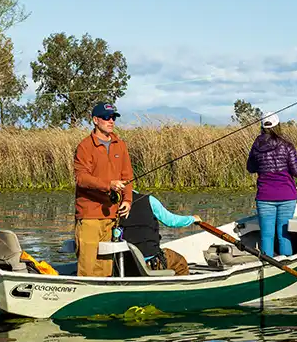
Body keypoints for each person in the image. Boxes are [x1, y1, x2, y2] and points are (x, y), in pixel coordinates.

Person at [73, 101, 133, 276]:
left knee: (105, 269)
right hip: (89, 216)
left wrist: (127, 200)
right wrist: (108, 185)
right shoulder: (85, 146)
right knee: (87, 268)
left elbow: (127, 176)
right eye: (106, 117)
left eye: (113, 117)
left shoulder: (120, 145)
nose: (111, 121)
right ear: (95, 120)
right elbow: (81, 178)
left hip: (112, 217)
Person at [245, 113, 297, 258]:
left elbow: (250, 168)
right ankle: (287, 263)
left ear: (262, 127)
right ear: (278, 126)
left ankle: (267, 264)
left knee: (267, 235)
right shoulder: (287, 145)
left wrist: (261, 165)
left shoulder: (256, 146)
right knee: (283, 234)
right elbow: (295, 169)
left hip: (265, 196)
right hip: (287, 195)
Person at [119, 191, 202, 275]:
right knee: (180, 263)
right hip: (151, 261)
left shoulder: (113, 205)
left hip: (124, 261)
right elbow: (171, 221)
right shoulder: (149, 200)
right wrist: (192, 219)